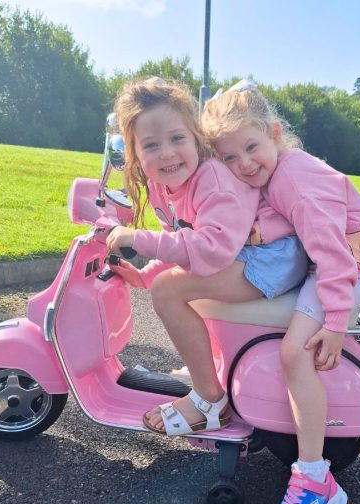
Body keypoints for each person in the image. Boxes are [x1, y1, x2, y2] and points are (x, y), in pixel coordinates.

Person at [201, 80, 360, 504]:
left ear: (275, 133)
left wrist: (337, 324)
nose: (244, 164)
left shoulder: (296, 181)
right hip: (329, 257)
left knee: (294, 352)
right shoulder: (280, 171)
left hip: (348, 264)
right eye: (230, 157)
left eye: (251, 147)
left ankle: (315, 480)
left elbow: (335, 255)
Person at [105, 77, 308, 437]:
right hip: (245, 253)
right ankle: (210, 369)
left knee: (170, 291)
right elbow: (180, 237)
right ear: (135, 155)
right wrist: (148, 273)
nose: (166, 152)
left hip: (272, 258)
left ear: (196, 138)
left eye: (177, 138)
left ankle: (208, 399)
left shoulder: (210, 179)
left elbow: (210, 250)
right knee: (170, 285)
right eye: (151, 145)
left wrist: (141, 242)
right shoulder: (162, 184)